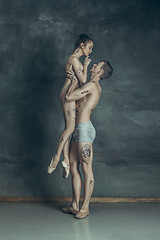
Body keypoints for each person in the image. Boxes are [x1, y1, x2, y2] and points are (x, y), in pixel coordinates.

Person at [62, 60, 113, 219]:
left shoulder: (92, 86)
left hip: (84, 130)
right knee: (73, 165)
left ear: (100, 72)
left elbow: (69, 97)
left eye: (97, 65)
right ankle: (75, 205)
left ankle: (85, 207)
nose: (95, 64)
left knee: (86, 167)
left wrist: (72, 80)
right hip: (77, 129)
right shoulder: (90, 85)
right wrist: (76, 78)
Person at [47, 34, 93, 178]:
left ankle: (65, 160)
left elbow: (80, 80)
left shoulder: (74, 60)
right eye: (89, 47)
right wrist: (86, 66)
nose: (91, 51)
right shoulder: (74, 59)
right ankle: (56, 156)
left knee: (68, 128)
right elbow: (83, 80)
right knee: (70, 128)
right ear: (82, 45)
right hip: (68, 94)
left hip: (69, 93)